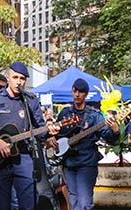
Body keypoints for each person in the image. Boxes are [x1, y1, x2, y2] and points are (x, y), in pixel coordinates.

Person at [0, 61, 58, 210]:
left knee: (29, 203)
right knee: (1, 205)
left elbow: (39, 130)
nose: (19, 82)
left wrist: (50, 132)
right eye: (15, 77)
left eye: (22, 78)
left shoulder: (30, 100)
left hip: (23, 157)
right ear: (8, 78)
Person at [48, 78, 120, 210]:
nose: (77, 94)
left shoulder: (94, 116)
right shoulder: (65, 113)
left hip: (86, 163)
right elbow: (57, 135)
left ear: (86, 94)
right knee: (74, 201)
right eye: (75, 91)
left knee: (85, 203)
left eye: (80, 92)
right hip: (69, 163)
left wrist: (115, 130)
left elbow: (111, 139)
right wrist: (51, 137)